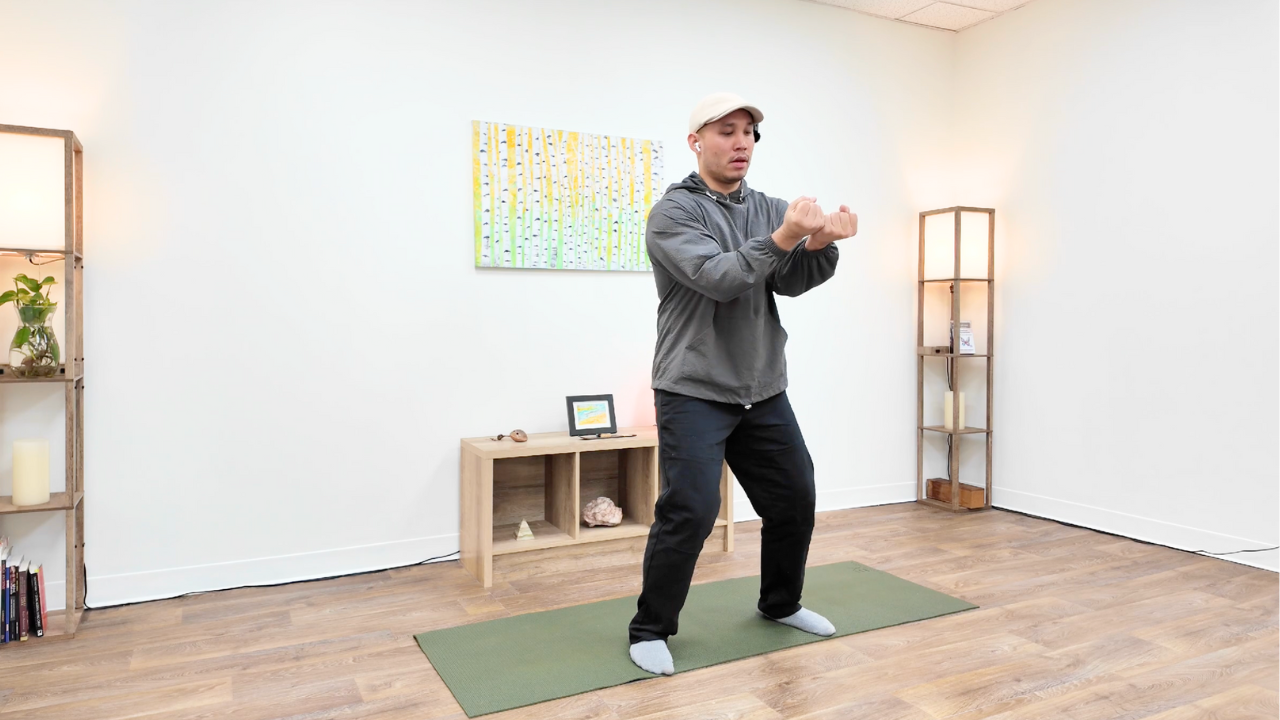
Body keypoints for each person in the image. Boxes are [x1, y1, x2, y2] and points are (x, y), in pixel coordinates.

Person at [627, 92, 859, 676]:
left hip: (762, 385)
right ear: (696, 142)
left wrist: (823, 242)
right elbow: (719, 277)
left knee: (794, 499)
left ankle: (781, 603)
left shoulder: (769, 207)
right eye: (727, 131)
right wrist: (786, 237)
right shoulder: (673, 213)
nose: (741, 143)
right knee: (692, 510)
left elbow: (789, 282)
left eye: (749, 133)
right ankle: (650, 628)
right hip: (693, 386)